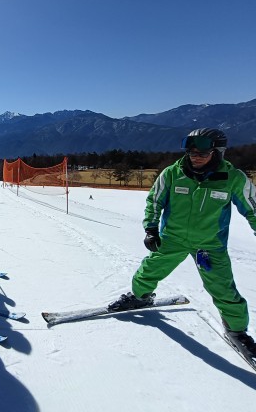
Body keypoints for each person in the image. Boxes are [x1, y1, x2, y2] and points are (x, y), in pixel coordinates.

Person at [109, 128, 256, 358]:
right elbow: (154, 201)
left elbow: (253, 209)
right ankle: (140, 297)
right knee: (149, 270)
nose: (195, 157)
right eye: (191, 152)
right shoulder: (172, 173)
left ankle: (237, 331)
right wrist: (151, 229)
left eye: (202, 153)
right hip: (172, 239)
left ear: (218, 152)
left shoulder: (233, 179)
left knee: (223, 288)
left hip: (209, 245)